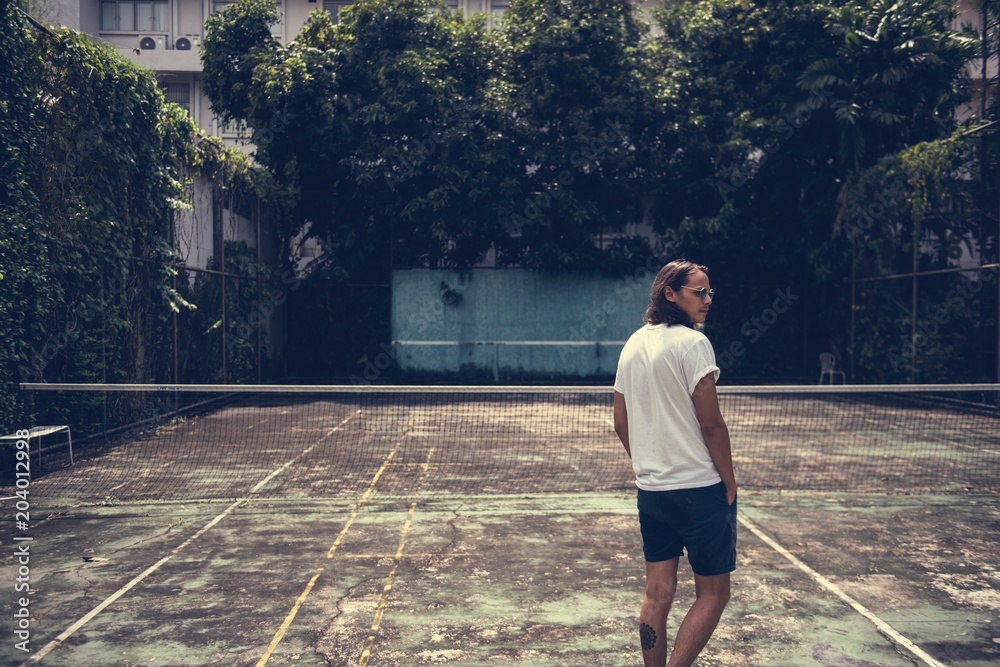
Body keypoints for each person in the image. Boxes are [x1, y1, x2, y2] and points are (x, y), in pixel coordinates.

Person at [613, 259, 737, 667]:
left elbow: (620, 418)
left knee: (657, 593)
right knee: (714, 593)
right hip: (699, 491)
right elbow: (712, 425)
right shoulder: (692, 343)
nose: (707, 300)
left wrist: (648, 464)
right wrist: (730, 483)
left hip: (652, 492)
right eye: (698, 292)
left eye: (709, 292)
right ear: (670, 293)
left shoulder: (632, 343)